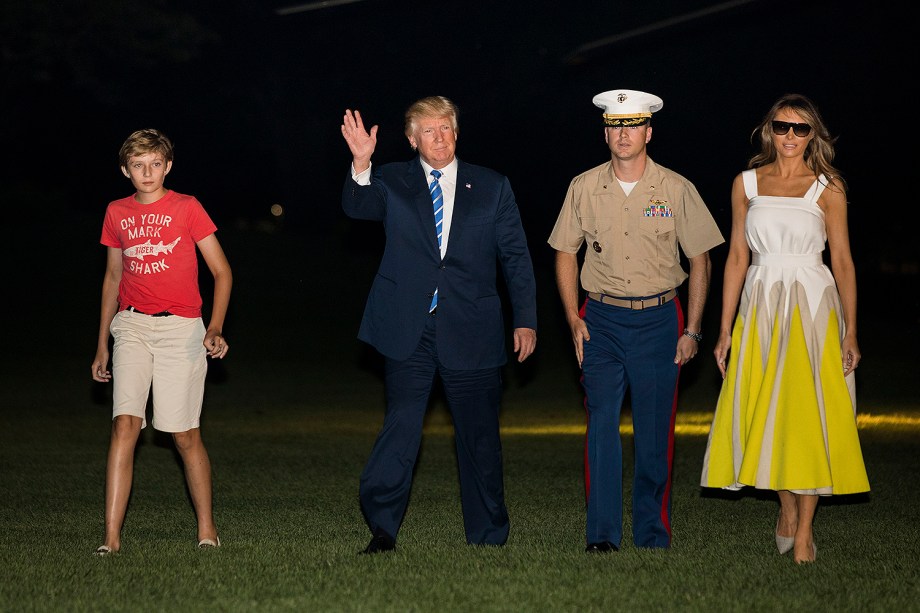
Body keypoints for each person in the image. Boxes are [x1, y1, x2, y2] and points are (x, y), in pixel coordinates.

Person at [340, 95, 538, 554]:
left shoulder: (491, 186)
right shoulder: (391, 179)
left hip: (472, 325)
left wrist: (525, 318)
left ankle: (488, 534)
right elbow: (359, 207)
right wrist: (361, 163)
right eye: (428, 130)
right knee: (402, 425)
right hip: (410, 327)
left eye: (446, 128)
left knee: (479, 435)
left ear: (457, 132)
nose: (440, 137)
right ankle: (383, 529)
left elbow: (516, 257)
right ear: (412, 140)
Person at [548, 89, 724, 552]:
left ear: (648, 132)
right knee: (602, 421)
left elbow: (701, 260)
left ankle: (651, 533)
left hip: (660, 320)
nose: (623, 135)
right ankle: (602, 534)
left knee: (653, 430)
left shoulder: (676, 188)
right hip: (600, 320)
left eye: (633, 126)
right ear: (605, 132)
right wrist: (572, 318)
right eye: (615, 126)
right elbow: (565, 252)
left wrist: (692, 330)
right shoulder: (583, 186)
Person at [700, 94, 869, 564]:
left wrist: (851, 331)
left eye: (800, 129)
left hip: (813, 303)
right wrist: (725, 329)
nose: (790, 137)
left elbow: (843, 261)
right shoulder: (746, 184)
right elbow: (735, 257)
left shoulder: (828, 186)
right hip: (760, 303)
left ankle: (806, 531)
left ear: (814, 135)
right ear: (767, 130)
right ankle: (787, 509)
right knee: (766, 406)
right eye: (782, 127)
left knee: (809, 410)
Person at [90, 128, 232, 555]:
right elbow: (113, 277)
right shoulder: (116, 212)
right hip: (131, 326)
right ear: (125, 170)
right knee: (124, 425)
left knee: (183, 435)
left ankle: (207, 529)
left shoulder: (187, 208)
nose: (147, 172)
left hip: (181, 330)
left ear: (167, 166)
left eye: (155, 164)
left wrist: (215, 327)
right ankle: (111, 540)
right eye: (138, 165)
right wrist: (102, 343)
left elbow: (222, 272)